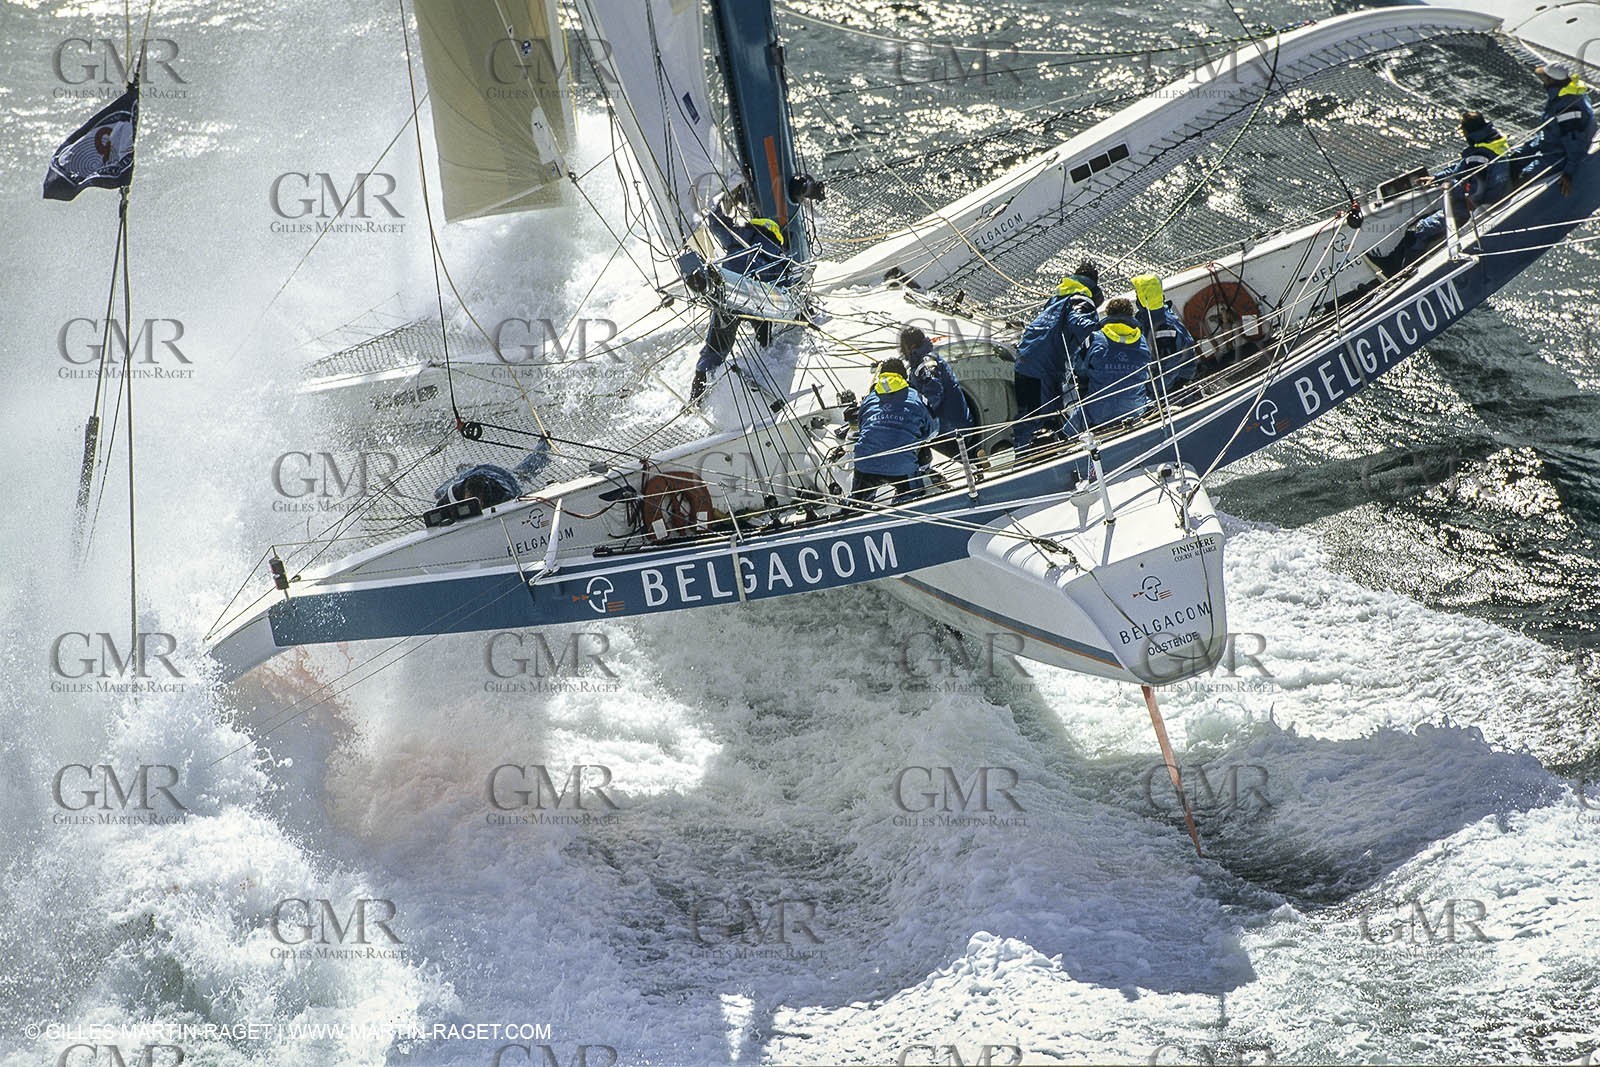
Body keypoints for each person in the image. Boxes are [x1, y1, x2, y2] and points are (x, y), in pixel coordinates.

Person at [1369, 111, 1511, 275]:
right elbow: (1460, 170)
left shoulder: (1480, 156)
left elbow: (1472, 191)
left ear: (1469, 130)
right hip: (1477, 205)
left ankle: (1399, 271)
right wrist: (1436, 178)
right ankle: (1395, 263)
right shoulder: (1491, 144)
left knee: (1418, 230)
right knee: (1419, 224)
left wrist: (1448, 185)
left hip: (1468, 211)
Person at [689, 204, 797, 401]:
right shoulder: (778, 255)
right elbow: (786, 286)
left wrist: (713, 202)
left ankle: (696, 398)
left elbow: (716, 224)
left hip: (728, 297)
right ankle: (765, 354)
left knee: (714, 351)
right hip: (757, 301)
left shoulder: (739, 235)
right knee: (764, 332)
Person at [1012, 260, 1101, 451]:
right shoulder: (1081, 299)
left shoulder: (1057, 298)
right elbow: (1079, 324)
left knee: (1032, 416)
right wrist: (1101, 331)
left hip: (1025, 361)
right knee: (1039, 419)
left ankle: (1024, 454)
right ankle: (1028, 461)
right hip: (1044, 369)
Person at [851, 357, 934, 500]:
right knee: (913, 500)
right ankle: (907, 500)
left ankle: (855, 509)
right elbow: (931, 430)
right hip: (901, 466)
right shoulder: (915, 397)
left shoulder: (869, 399)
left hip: (866, 462)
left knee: (857, 506)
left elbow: (861, 425)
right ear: (904, 377)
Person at [1069, 296, 1154, 428]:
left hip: (1099, 414)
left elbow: (1080, 369)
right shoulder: (1143, 343)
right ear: (1130, 315)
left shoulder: (1094, 339)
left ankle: (1063, 439)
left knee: (1073, 405)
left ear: (1108, 314)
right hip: (1135, 410)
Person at [1518, 63, 1596, 194]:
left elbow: (1575, 142)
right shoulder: (1565, 95)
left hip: (1557, 153)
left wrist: (1569, 173)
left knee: (1524, 177)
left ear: (1552, 80)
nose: (1542, 81)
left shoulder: (1567, 108)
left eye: (1544, 78)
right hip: (1549, 143)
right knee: (1515, 158)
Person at [900, 326, 973, 458]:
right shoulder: (921, 362)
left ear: (912, 346)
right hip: (950, 427)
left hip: (948, 430)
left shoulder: (927, 363)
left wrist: (916, 416)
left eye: (903, 346)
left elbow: (934, 393)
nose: (901, 350)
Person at [1131, 274, 1196, 399]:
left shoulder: (1163, 330)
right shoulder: (1151, 314)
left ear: (1143, 298)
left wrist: (1150, 392)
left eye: (1137, 293)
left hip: (1174, 383)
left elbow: (1169, 369)